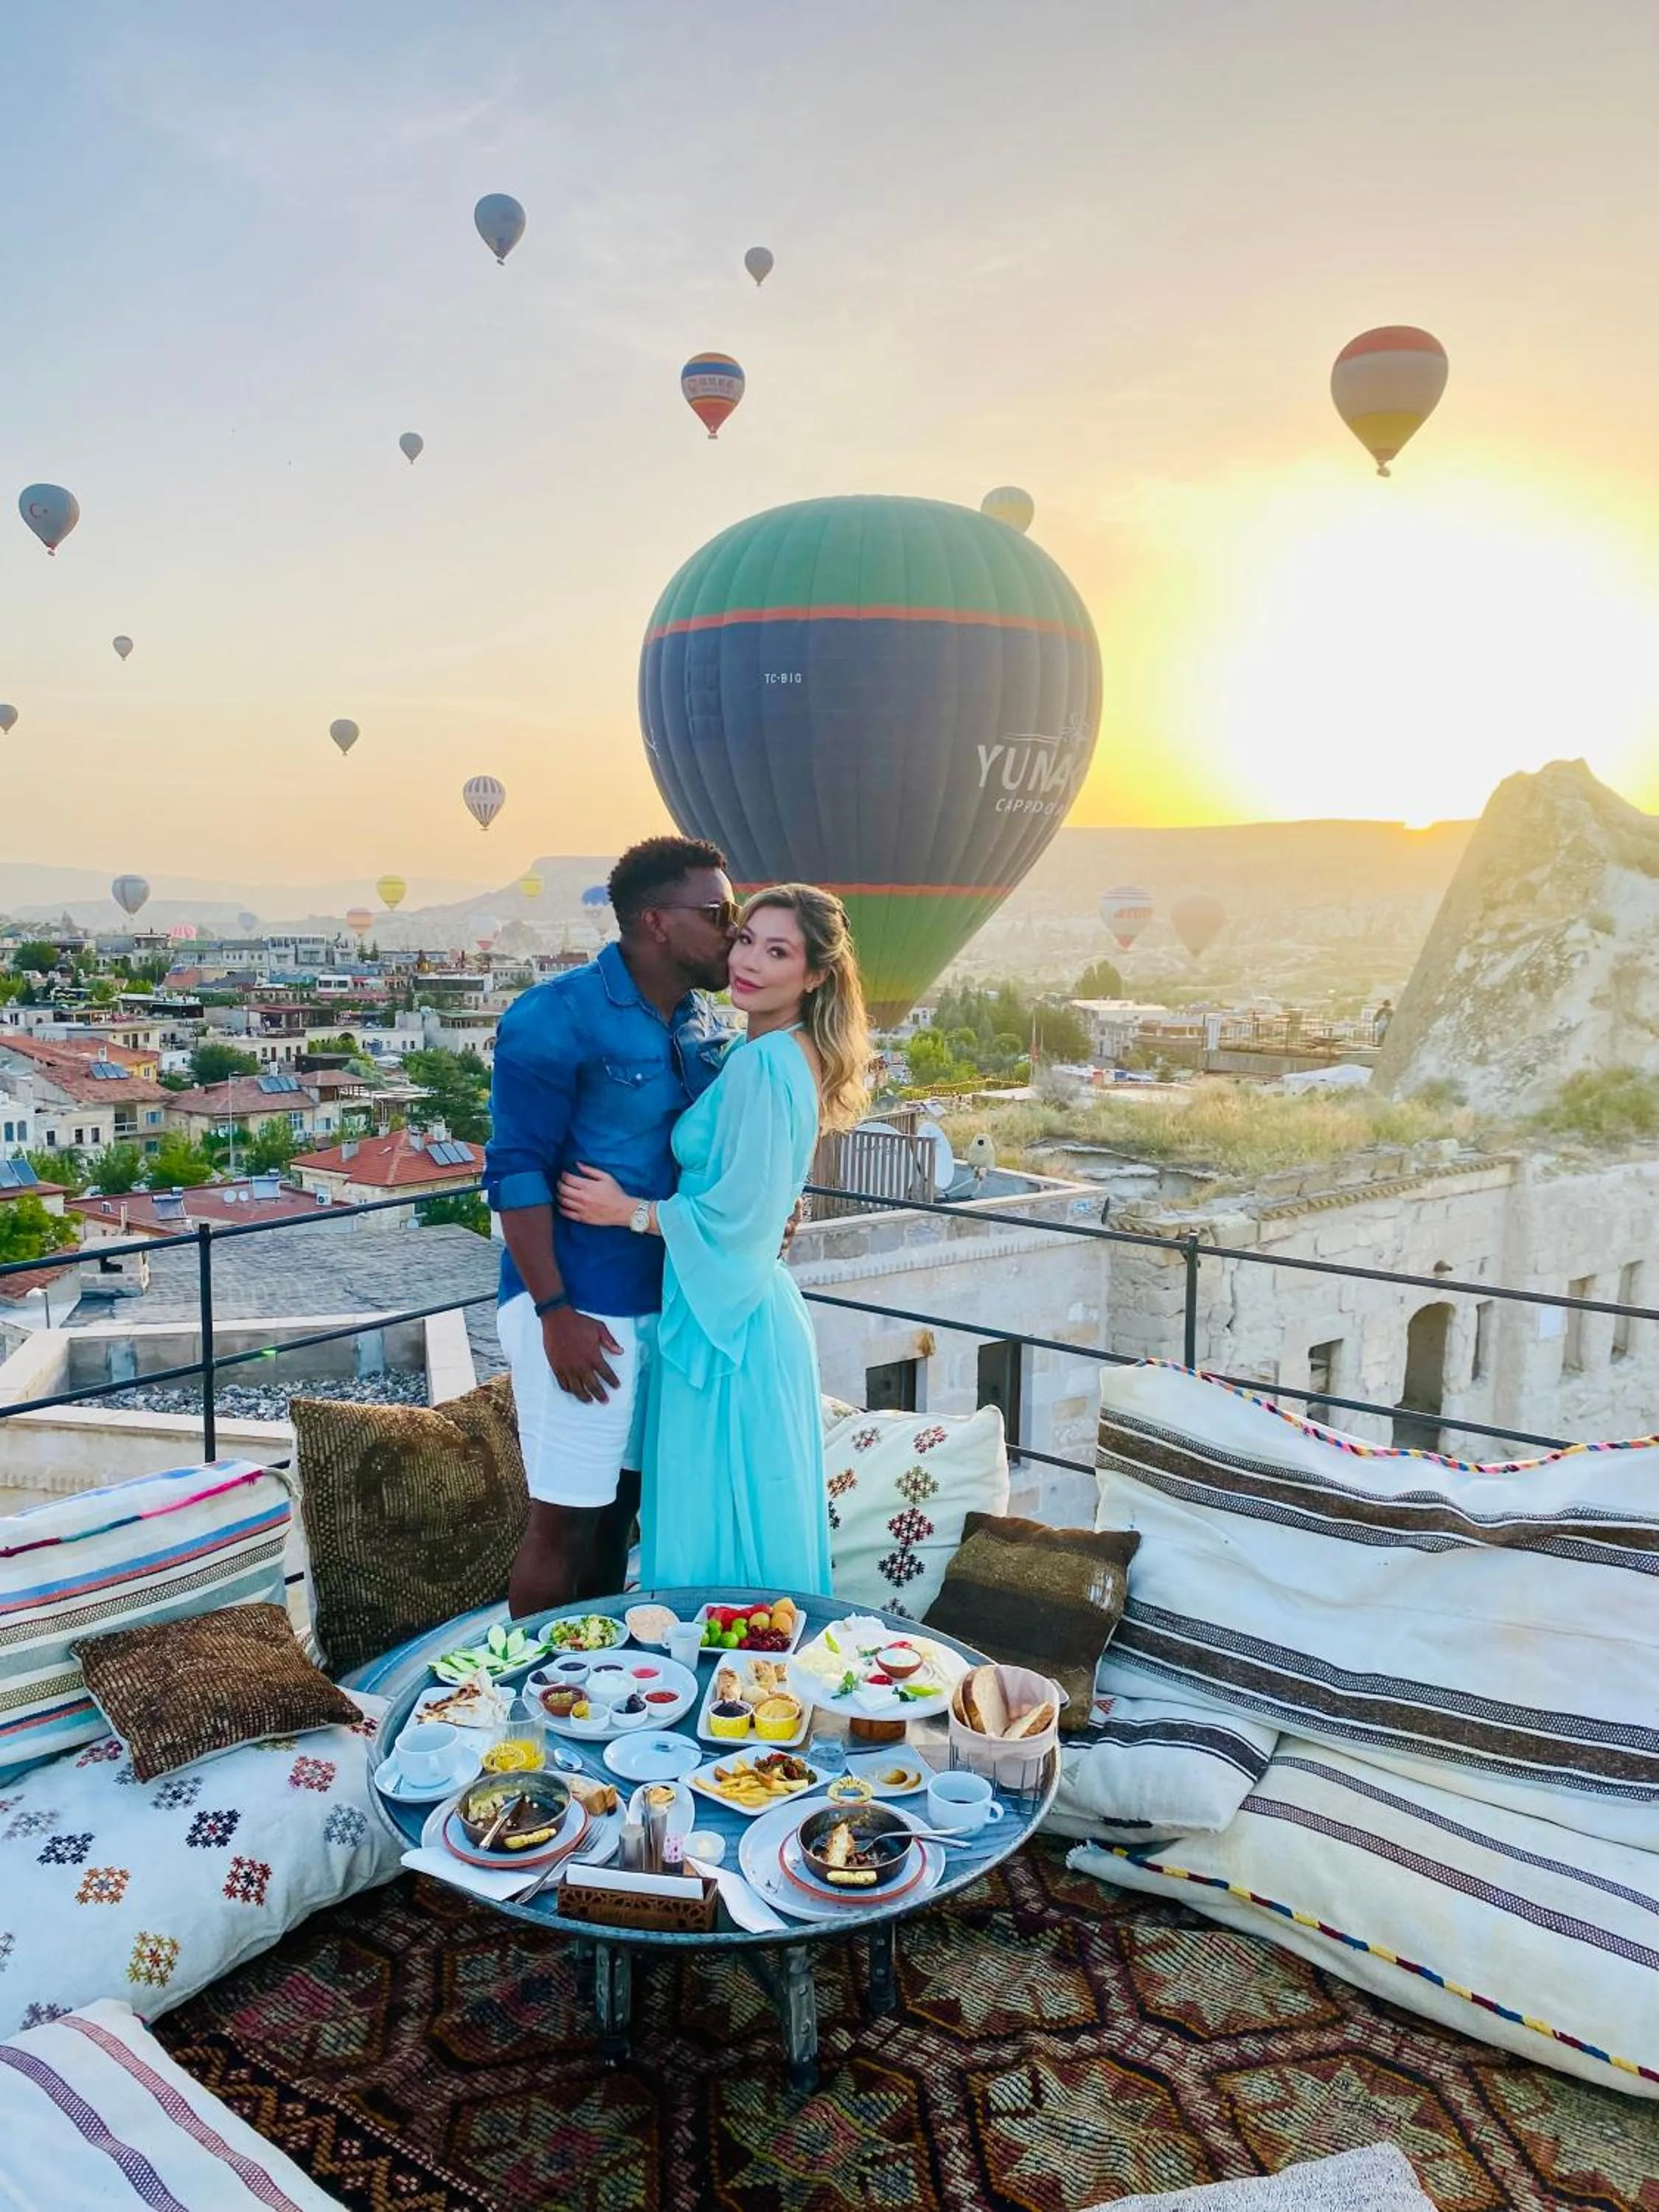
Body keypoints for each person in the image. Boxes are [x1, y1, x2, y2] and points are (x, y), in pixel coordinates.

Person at [558, 885, 870, 1593]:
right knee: (741, 1519)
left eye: (779, 950)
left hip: (731, 1325)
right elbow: (764, 1190)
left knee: (719, 1524)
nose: (751, 961)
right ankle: (752, 1686)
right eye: (746, 939)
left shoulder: (765, 1064)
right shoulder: (771, 1052)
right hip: (738, 1306)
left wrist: (628, 1211)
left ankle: (713, 1680)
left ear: (816, 975)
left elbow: (740, 1218)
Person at [482, 835, 737, 1614]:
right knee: (563, 1520)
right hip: (580, 1305)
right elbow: (515, 1172)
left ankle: (591, 1679)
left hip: (665, 1305)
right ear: (656, 922)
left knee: (619, 1517)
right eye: (718, 913)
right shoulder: (556, 1016)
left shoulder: (699, 1025)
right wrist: (556, 1314)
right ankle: (534, 1701)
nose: (735, 929)